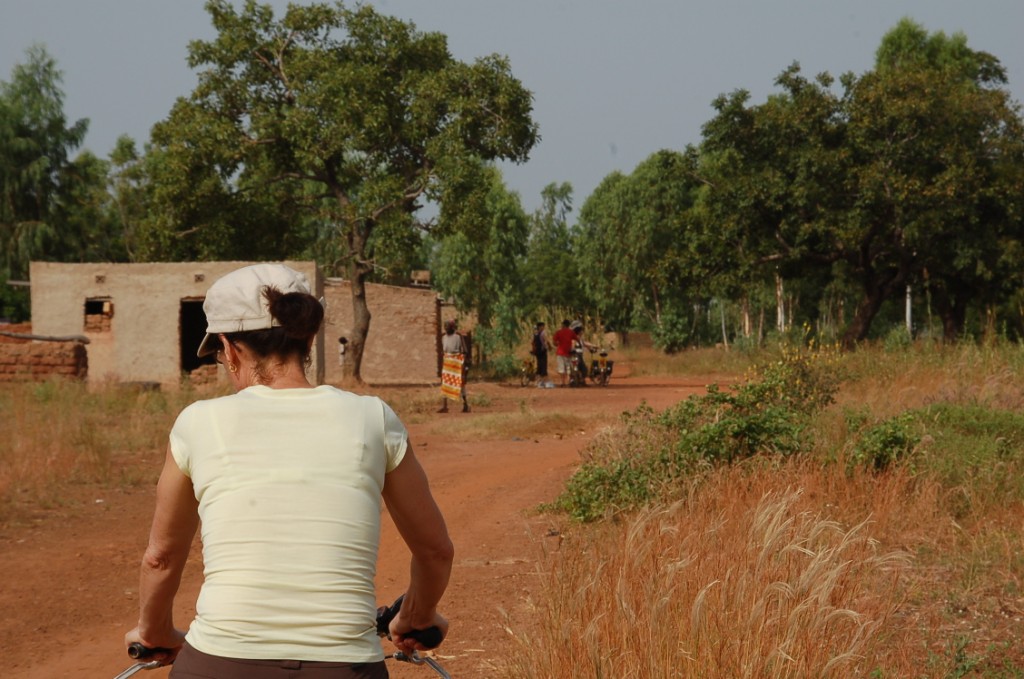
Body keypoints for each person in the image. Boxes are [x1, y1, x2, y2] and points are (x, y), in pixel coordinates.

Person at [125, 263, 454, 679]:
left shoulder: (197, 422)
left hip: (219, 664)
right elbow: (435, 551)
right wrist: (415, 615)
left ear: (229, 349)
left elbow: (161, 558)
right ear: (309, 338)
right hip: (344, 667)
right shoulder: (373, 417)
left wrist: (154, 633)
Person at [439, 319, 470, 413]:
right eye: (445, 327)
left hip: (457, 362)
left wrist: (463, 364)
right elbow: (442, 351)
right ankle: (445, 407)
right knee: (445, 383)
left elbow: (464, 351)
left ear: (452, 327)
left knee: (461, 384)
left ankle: (466, 405)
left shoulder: (458, 337)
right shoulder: (443, 337)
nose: (446, 329)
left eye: (448, 327)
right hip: (447, 362)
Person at [552, 319, 576, 387]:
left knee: (561, 368)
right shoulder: (571, 332)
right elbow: (576, 339)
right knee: (568, 367)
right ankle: (568, 382)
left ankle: (563, 383)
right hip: (569, 353)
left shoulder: (558, 332)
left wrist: (557, 344)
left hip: (560, 352)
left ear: (563, 325)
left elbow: (554, 342)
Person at [531, 321, 552, 388]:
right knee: (543, 366)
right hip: (542, 352)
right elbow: (547, 341)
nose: (543, 327)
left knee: (539, 365)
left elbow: (532, 342)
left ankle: (538, 382)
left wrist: (534, 349)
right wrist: (550, 347)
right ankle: (544, 382)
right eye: (543, 326)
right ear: (541, 326)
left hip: (537, 352)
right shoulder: (543, 333)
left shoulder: (535, 334)